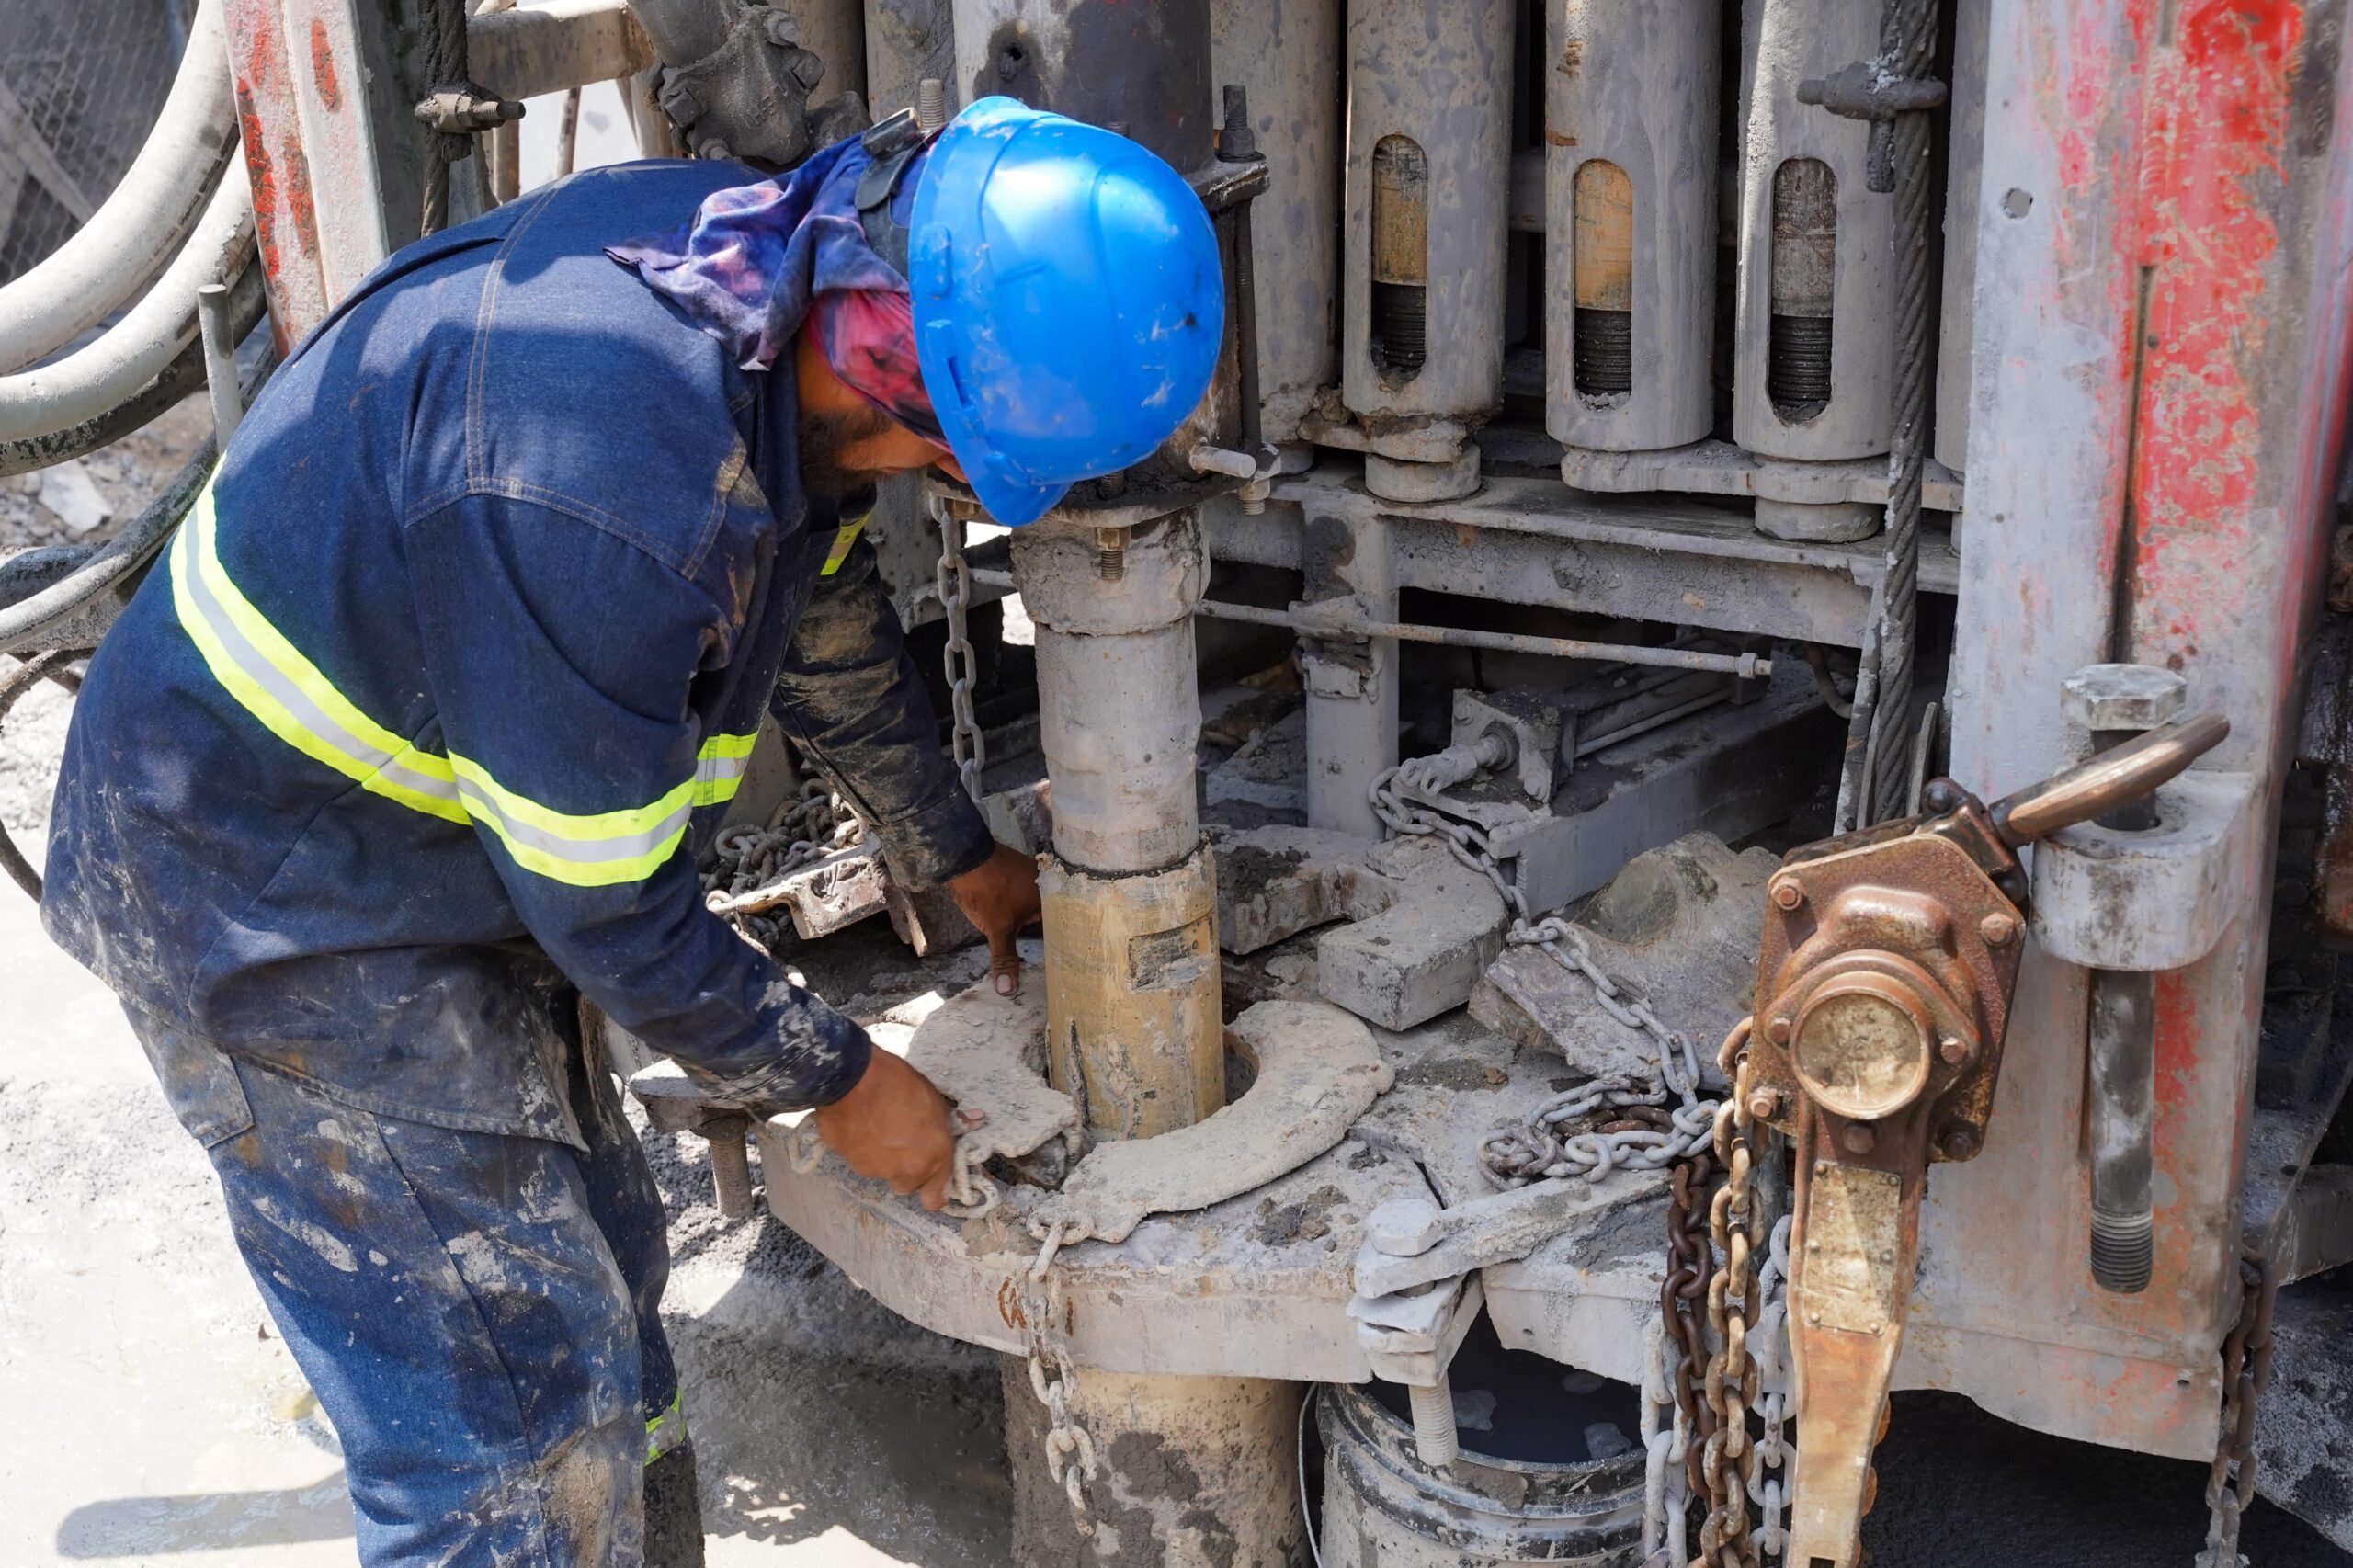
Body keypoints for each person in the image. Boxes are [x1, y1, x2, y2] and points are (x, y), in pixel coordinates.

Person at [38, 97, 1223, 1566]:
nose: (961, 491)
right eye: (962, 463)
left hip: (410, 860)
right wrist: (843, 1079)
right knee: (507, 1420)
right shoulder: (600, 482)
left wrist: (949, 847)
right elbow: (611, 911)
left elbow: (821, 604)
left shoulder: (757, 279)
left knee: (600, 1287)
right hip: (270, 906)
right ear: (908, 394)